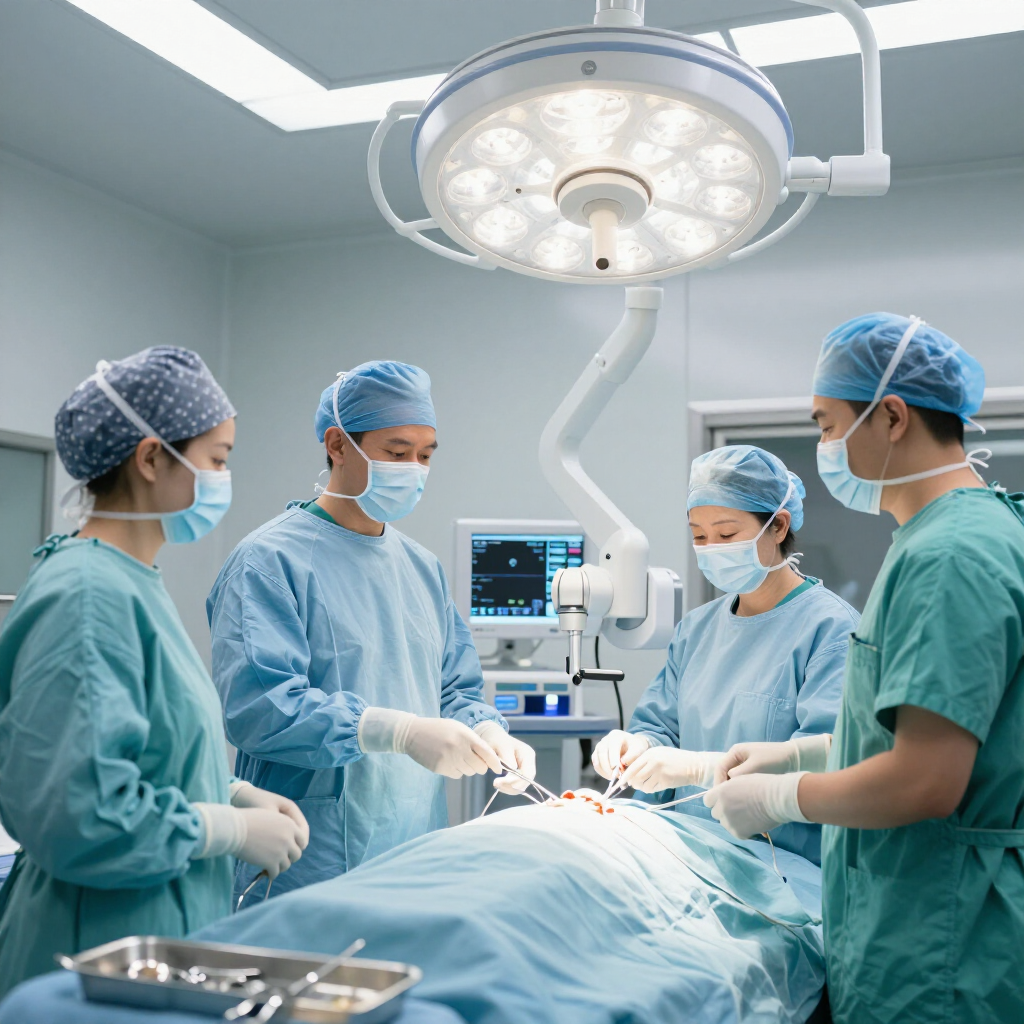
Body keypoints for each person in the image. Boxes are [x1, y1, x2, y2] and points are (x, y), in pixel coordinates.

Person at [704, 313, 1024, 1023]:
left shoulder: (950, 556)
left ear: (891, 415)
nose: (822, 447)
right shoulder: (956, 535)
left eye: (825, 425)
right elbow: (947, 730)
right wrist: (799, 750)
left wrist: (778, 798)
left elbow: (924, 779)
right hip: (932, 922)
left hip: (943, 941)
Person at [0, 348, 308, 997]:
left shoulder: (132, 583)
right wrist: (230, 829)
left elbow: (137, 752)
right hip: (91, 956)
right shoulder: (87, 597)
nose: (226, 477)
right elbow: (81, 814)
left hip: (152, 941)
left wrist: (227, 792)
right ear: (149, 459)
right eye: (217, 459)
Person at [208, 360, 535, 905]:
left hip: (413, 843)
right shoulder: (268, 562)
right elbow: (259, 708)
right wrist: (398, 732)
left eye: (426, 455)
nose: (415, 468)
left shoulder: (421, 567)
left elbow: (454, 688)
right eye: (396, 451)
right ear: (337, 444)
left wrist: (488, 732)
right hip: (306, 857)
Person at [591, 444, 859, 863]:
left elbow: (831, 766)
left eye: (728, 534)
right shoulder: (697, 629)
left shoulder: (832, 631)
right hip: (688, 858)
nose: (711, 546)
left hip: (783, 873)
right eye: (699, 535)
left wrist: (697, 767)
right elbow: (662, 727)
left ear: (778, 527)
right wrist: (637, 746)